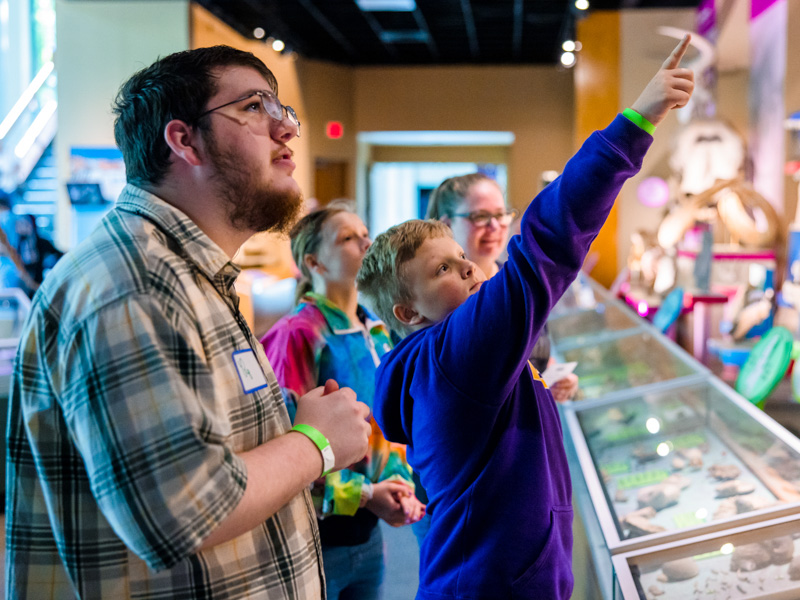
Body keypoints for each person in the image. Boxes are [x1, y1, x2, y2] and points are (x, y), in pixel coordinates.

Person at [6, 45, 372, 599]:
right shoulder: (132, 282)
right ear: (183, 140)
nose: (285, 130)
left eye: (282, 109)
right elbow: (185, 512)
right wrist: (315, 441)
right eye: (254, 107)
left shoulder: (189, 274)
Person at [356, 37, 694, 600]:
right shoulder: (451, 353)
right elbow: (549, 242)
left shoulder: (445, 357)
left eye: (462, 259)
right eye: (444, 267)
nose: (468, 269)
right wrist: (636, 121)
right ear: (407, 311)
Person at [262, 204, 425, 599]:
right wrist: (366, 495)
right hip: (318, 537)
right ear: (313, 261)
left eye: (365, 233)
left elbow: (388, 425)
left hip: (367, 536)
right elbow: (287, 442)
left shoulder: (379, 328)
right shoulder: (299, 333)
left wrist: (397, 481)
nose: (366, 243)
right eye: (348, 238)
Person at [425, 174, 579, 402]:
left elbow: (535, 355)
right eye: (480, 216)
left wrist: (555, 378)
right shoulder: (438, 300)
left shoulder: (519, 281)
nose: (495, 226)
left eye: (500, 214)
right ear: (447, 224)